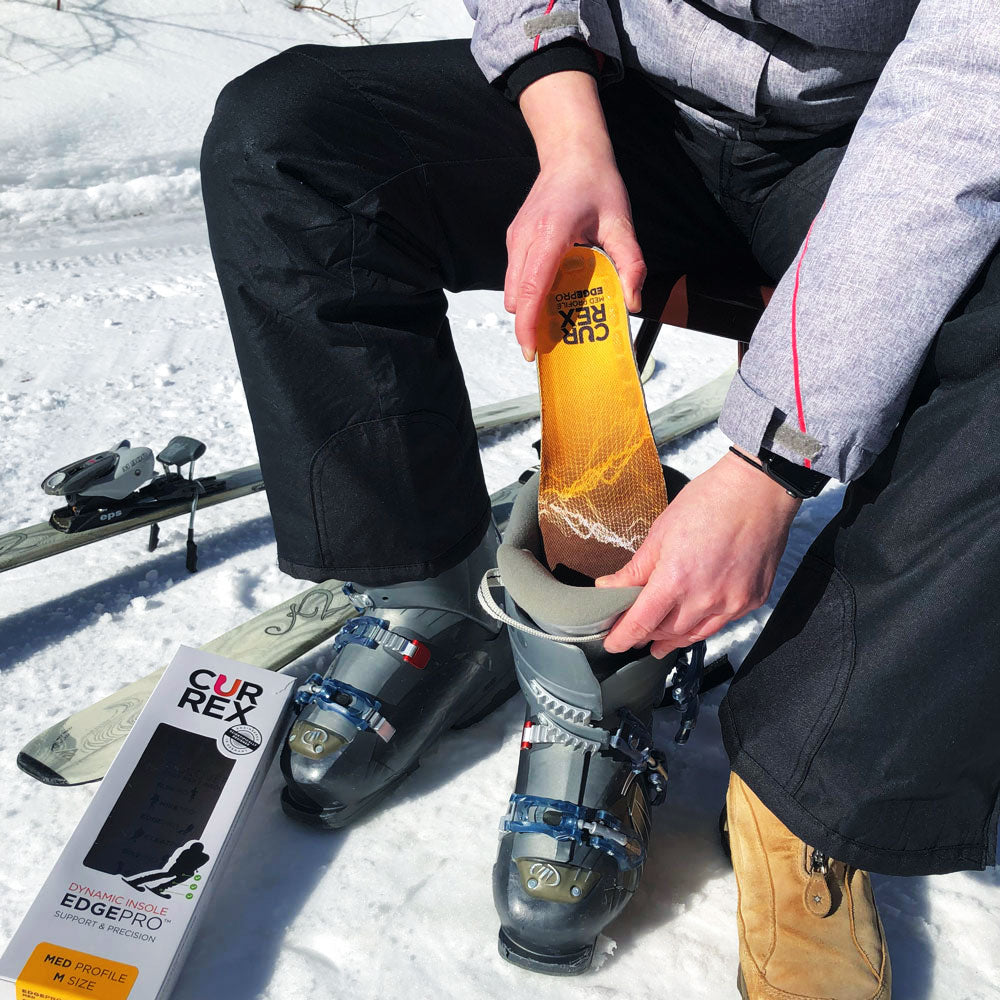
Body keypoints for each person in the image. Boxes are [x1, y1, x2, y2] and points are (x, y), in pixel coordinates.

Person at [200, 1, 1000, 994]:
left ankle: (811, 784)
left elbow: (965, 104)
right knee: (285, 137)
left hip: (870, 148)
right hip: (622, 104)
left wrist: (769, 463)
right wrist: (565, 127)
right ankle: (434, 589)